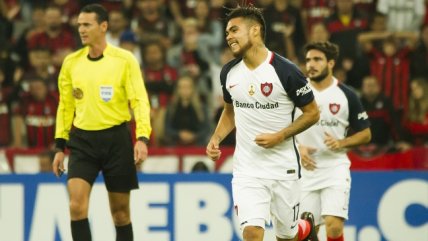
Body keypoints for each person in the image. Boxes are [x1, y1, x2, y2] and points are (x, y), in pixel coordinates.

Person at [206, 5, 320, 241]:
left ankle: (306, 227)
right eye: (227, 32)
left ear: (255, 31)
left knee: (287, 236)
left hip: (284, 168)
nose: (229, 37)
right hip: (247, 169)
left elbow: (312, 113)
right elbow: (230, 112)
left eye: (234, 30)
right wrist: (216, 138)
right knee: (252, 232)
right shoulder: (229, 72)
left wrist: (280, 136)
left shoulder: (286, 71)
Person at [52, 4, 151, 241]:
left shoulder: (124, 60)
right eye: (79, 25)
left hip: (116, 140)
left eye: (87, 25)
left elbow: (139, 100)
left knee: (120, 214)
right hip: (83, 141)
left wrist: (142, 137)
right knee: (76, 206)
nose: (81, 30)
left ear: (103, 26)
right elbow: (65, 107)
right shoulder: (71, 63)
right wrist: (59, 147)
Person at [297, 41, 372, 241]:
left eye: (317, 59)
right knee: (304, 232)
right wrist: (298, 148)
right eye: (308, 60)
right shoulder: (297, 93)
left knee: (334, 226)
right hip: (305, 172)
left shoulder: (346, 95)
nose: (311, 64)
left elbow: (366, 134)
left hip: (334, 168)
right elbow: (283, 130)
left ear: (330, 63)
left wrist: (342, 143)